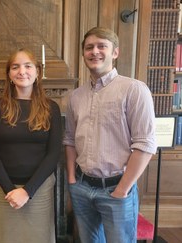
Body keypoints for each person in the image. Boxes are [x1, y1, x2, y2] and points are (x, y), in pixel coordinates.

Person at [63, 27, 157, 243]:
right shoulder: (76, 96)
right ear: (84, 54)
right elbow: (69, 139)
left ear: (115, 52)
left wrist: (122, 189)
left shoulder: (134, 89)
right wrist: (71, 180)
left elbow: (145, 145)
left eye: (101, 46)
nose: (94, 51)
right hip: (82, 188)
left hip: (117, 190)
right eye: (89, 47)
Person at [0, 48, 62, 243]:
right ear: (9, 74)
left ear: (37, 72)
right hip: (5, 189)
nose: (22, 71)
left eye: (28, 66)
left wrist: (28, 191)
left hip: (39, 188)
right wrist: (9, 189)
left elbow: (53, 154)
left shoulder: (51, 107)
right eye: (15, 67)